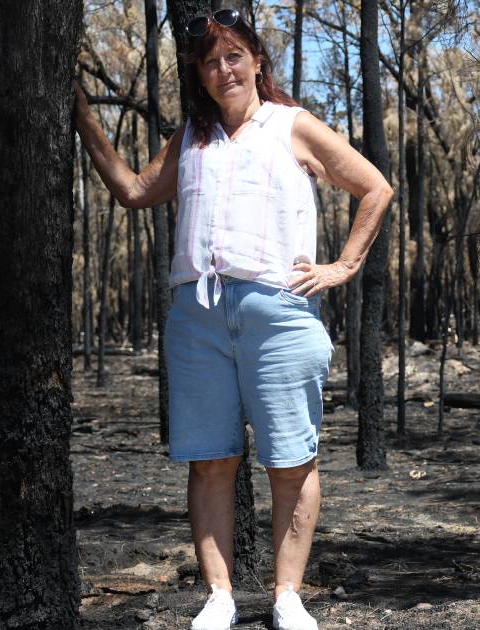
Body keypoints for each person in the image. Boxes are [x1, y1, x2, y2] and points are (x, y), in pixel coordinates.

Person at [73, 9, 392, 630]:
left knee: (290, 463)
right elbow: (134, 191)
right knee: (211, 459)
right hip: (197, 316)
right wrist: (82, 114)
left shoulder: (291, 126)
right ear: (199, 72)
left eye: (234, 57)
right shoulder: (191, 135)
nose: (224, 71)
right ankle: (218, 598)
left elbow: (375, 186)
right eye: (211, 62)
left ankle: (286, 599)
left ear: (256, 62)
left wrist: (343, 265)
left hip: (279, 309)